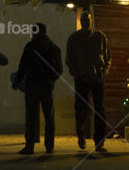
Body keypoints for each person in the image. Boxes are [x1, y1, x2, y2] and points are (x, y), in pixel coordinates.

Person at [66, 11, 111, 152]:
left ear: (91, 21)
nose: (85, 22)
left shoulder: (100, 36)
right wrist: (76, 74)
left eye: (87, 19)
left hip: (97, 78)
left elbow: (107, 56)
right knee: (81, 110)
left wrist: (104, 71)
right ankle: (81, 135)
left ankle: (99, 142)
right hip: (82, 79)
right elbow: (69, 59)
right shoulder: (74, 38)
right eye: (83, 20)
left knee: (100, 110)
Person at [17, 23, 62, 154]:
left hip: (32, 85)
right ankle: (49, 146)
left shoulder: (30, 46)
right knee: (49, 117)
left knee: (30, 117)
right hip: (47, 86)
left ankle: (29, 146)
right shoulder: (53, 47)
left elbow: (23, 66)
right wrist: (51, 79)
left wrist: (17, 81)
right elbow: (59, 69)